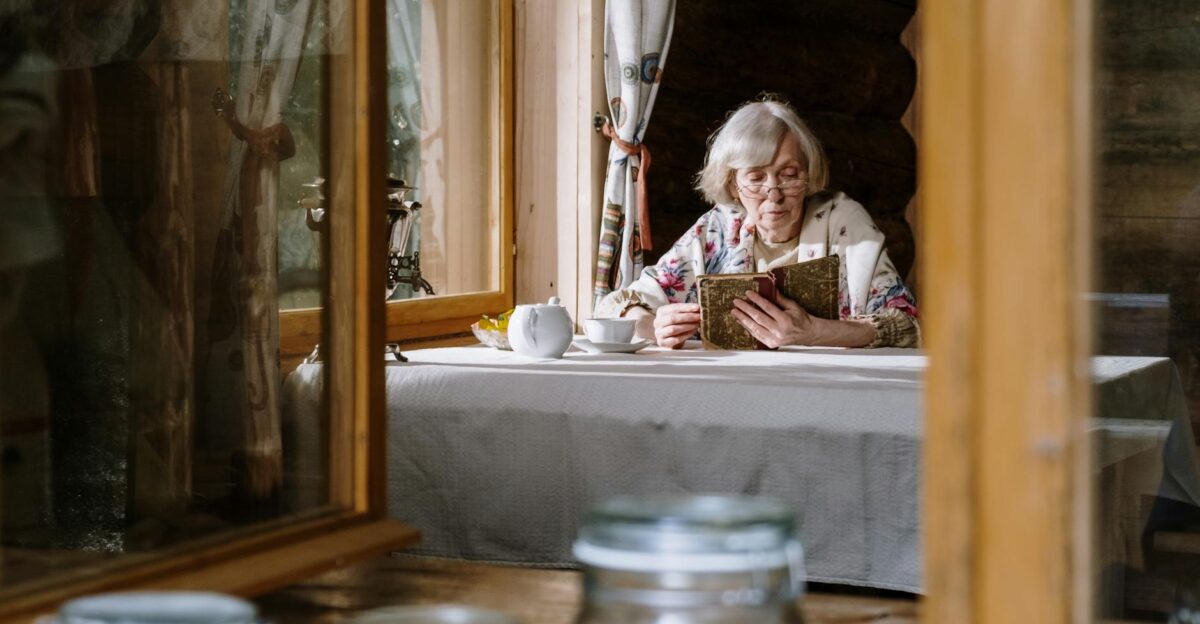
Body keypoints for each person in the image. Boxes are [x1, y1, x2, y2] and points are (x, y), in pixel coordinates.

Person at [595, 97, 919, 349]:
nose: (773, 194)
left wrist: (815, 331)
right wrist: (654, 327)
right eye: (756, 177)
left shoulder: (842, 220)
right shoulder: (719, 229)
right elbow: (615, 307)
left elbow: (906, 325)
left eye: (789, 175)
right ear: (734, 185)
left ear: (808, 176)